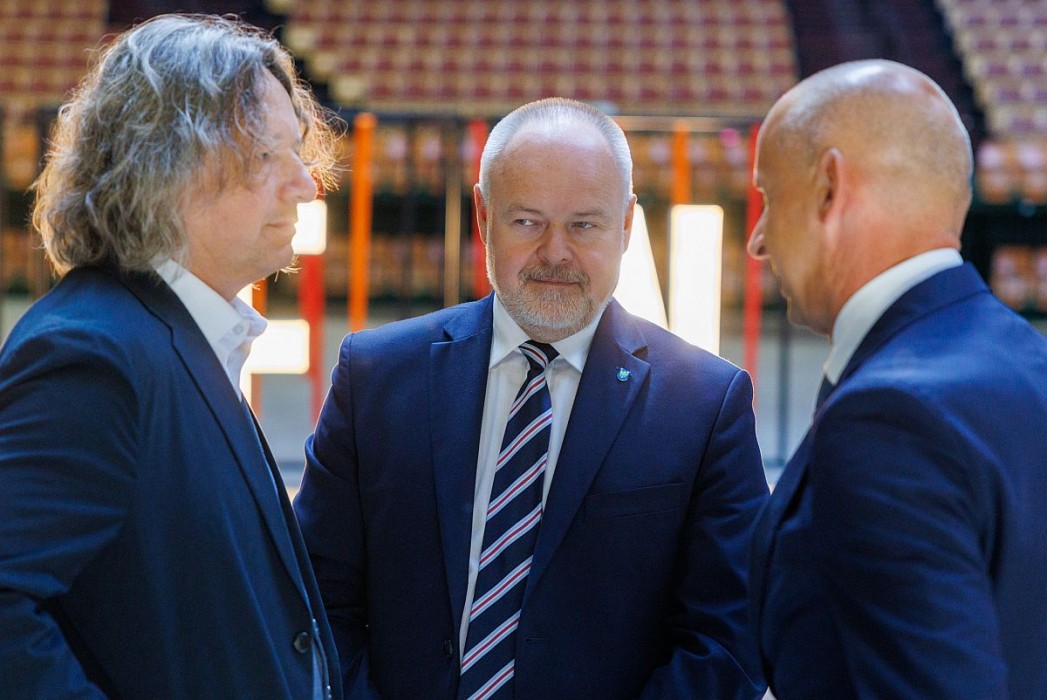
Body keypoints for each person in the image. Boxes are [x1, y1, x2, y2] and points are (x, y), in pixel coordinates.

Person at [294, 97, 769, 699]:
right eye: (527, 221)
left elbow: (729, 637)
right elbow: (315, 601)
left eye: (584, 225)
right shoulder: (375, 377)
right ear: (482, 215)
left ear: (627, 225)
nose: (555, 252)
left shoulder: (705, 403)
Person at [0, 14, 342, 699]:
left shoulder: (174, 334)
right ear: (170, 164)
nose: (307, 185)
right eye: (268, 155)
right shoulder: (91, 354)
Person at [747, 59, 1047, 699]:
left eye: (770, 197)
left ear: (829, 189)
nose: (759, 239)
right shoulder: (1024, 354)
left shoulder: (889, 420)